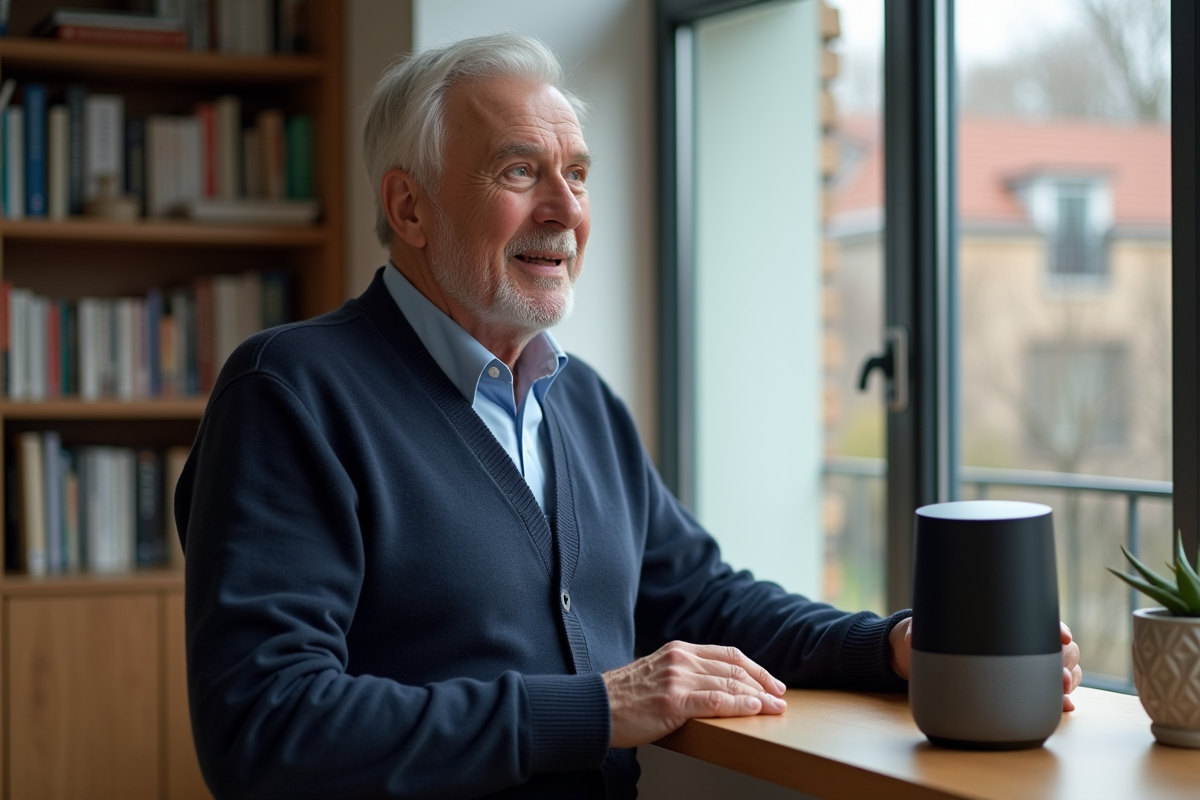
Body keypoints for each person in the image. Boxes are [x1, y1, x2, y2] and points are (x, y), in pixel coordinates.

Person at [176, 32, 1082, 800]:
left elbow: (700, 599)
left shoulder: (582, 403)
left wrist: (886, 645)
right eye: (520, 170)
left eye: (577, 173)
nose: (566, 208)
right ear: (408, 206)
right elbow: (265, 725)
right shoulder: (288, 392)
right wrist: (601, 706)